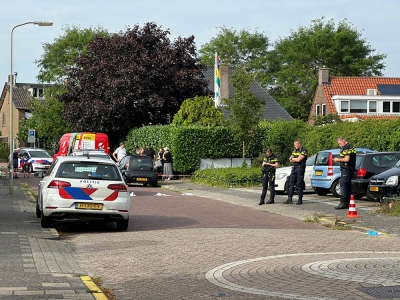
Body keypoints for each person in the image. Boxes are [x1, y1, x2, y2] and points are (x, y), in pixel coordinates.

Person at [333, 137, 356, 210]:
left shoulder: (347, 147)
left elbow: (346, 159)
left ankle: (343, 202)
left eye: (339, 143)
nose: (339, 145)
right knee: (347, 185)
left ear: (343, 141)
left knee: (343, 185)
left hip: (347, 168)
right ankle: (347, 202)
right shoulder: (349, 147)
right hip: (347, 168)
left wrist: (337, 160)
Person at [284, 139, 308, 205]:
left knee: (299, 183)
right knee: (290, 182)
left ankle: (300, 199)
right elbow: (290, 159)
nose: (294, 146)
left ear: (299, 144)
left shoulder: (304, 151)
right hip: (294, 168)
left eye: (295, 145)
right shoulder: (295, 150)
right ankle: (289, 198)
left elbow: (299, 159)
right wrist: (293, 159)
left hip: (300, 168)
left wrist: (293, 159)